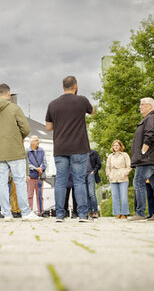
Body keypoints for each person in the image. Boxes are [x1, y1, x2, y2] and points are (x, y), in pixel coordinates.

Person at [0, 83, 41, 222]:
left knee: (2, 182)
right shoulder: (14, 108)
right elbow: (26, 128)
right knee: (20, 181)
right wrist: (18, 137)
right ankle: (26, 212)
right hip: (14, 149)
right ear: (9, 94)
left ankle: (6, 213)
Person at [45, 75, 94, 222]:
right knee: (79, 180)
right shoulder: (82, 101)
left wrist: (60, 123)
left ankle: (60, 215)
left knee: (60, 180)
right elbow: (92, 112)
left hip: (60, 147)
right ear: (75, 86)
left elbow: (48, 127)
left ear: (63, 87)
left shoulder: (53, 104)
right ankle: (83, 215)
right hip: (79, 147)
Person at [129, 97, 154, 221]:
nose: (140, 107)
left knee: (138, 182)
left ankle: (139, 213)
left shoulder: (150, 119)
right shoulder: (150, 119)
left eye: (142, 104)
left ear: (149, 106)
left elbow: (149, 135)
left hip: (146, 159)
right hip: (151, 158)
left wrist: (143, 152)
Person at [106, 140, 131, 219]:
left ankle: (124, 213)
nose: (116, 147)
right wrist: (109, 174)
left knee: (123, 197)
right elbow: (107, 167)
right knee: (115, 196)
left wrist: (125, 173)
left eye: (117, 145)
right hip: (113, 177)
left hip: (123, 177)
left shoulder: (125, 155)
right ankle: (117, 213)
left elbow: (129, 166)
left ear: (120, 146)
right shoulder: (110, 156)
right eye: (114, 145)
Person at [27, 135, 47, 215]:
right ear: (31, 142)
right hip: (31, 177)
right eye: (36, 140)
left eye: (38, 140)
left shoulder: (42, 150)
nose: (38, 142)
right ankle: (29, 211)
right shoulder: (27, 151)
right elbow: (27, 163)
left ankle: (41, 211)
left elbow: (44, 161)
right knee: (30, 195)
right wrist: (35, 168)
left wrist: (41, 168)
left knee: (40, 195)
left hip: (39, 177)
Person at [86, 149, 102, 218]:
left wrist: (94, 171)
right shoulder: (80, 153)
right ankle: (89, 211)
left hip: (90, 174)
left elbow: (99, 164)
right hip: (83, 175)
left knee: (92, 193)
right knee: (86, 195)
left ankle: (95, 211)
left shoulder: (93, 152)